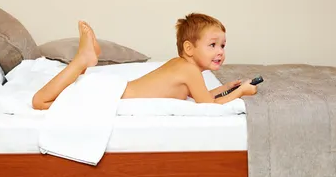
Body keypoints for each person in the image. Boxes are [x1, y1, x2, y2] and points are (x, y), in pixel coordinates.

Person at [31, 13, 257, 110]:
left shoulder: (182, 66)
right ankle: (82, 60)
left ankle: (83, 62)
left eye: (223, 46)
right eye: (213, 45)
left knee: (55, 99)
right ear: (189, 48)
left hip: (111, 90)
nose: (220, 52)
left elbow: (202, 96)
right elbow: (207, 107)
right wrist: (241, 93)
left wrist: (226, 88)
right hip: (110, 97)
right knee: (40, 102)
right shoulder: (190, 71)